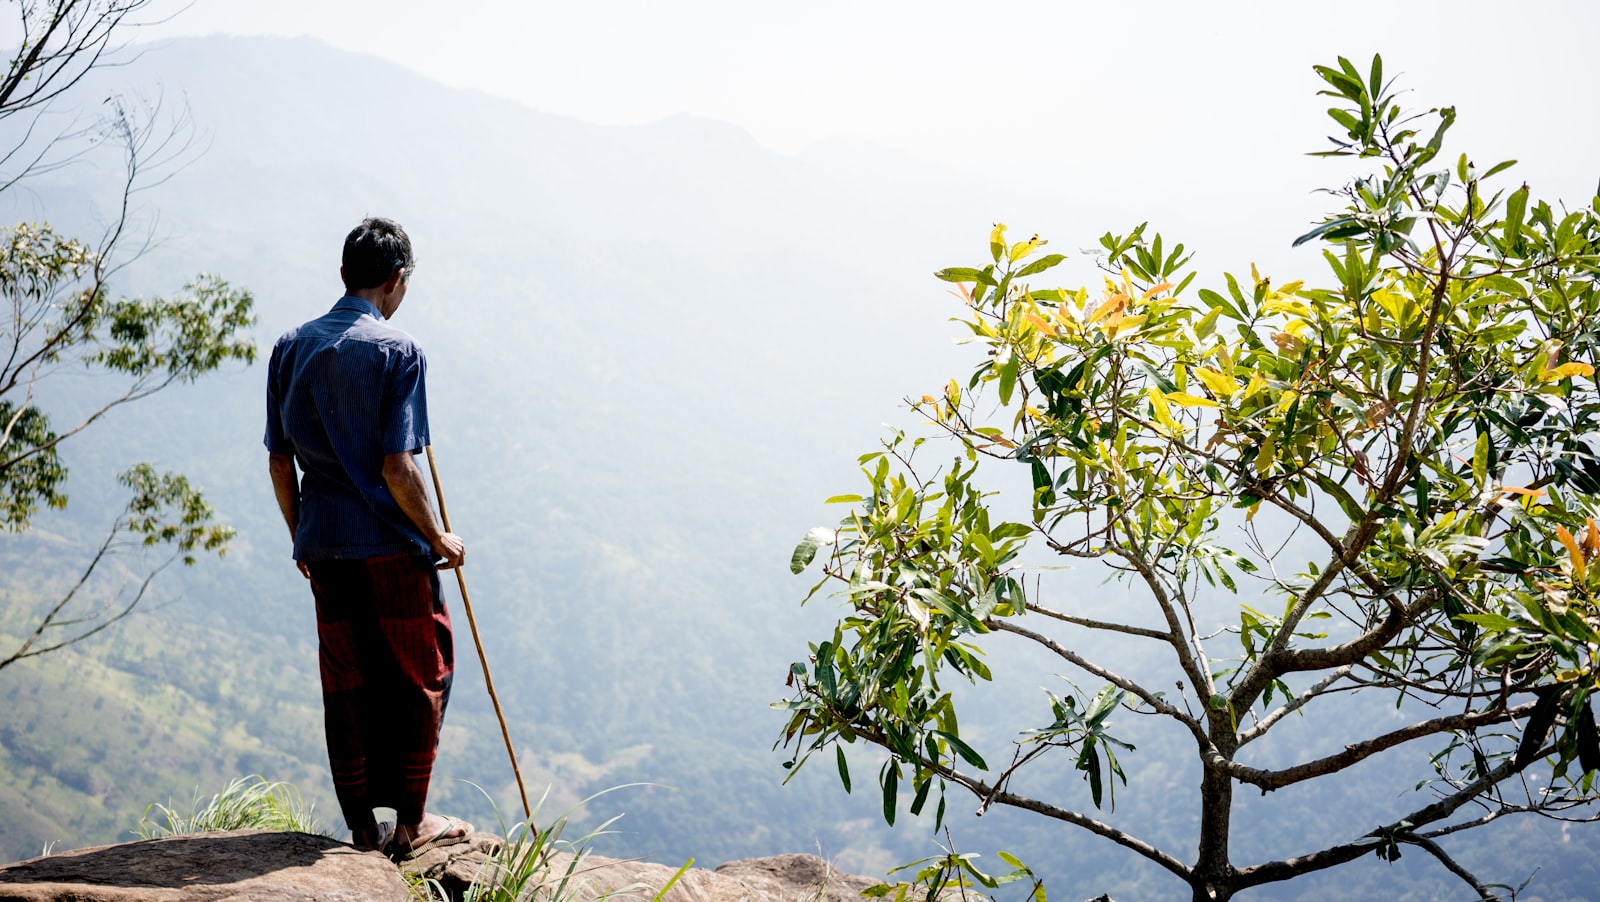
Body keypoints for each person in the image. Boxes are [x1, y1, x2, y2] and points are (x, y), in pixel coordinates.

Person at [265, 216, 472, 858]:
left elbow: (280, 459)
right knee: (422, 673)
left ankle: (360, 827)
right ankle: (409, 825)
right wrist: (439, 534)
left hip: (324, 545)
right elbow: (396, 466)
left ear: (343, 275)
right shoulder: (399, 351)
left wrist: (303, 535)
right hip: (388, 546)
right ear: (397, 280)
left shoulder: (289, 345)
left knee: (346, 680)